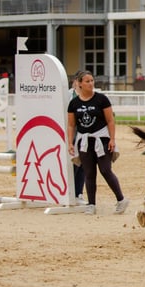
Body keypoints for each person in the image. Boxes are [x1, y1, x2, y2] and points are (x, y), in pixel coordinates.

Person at [67, 71, 128, 215]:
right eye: (87, 81)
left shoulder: (101, 99)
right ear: (79, 83)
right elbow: (71, 125)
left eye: (92, 80)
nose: (90, 83)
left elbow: (110, 121)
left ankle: (121, 199)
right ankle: (91, 204)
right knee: (89, 173)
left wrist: (112, 139)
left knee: (105, 170)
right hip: (84, 141)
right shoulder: (74, 103)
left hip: (102, 139)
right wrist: (70, 142)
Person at [68, 71, 85, 204]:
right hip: (72, 134)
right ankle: (69, 191)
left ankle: (78, 193)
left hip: (85, 134)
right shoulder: (68, 95)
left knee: (83, 164)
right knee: (73, 163)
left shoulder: (89, 95)